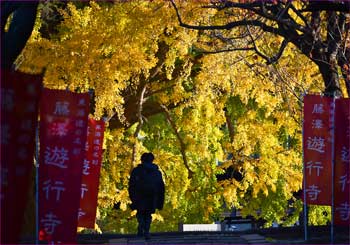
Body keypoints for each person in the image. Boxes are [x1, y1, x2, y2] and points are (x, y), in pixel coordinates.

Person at [128, 152, 165, 240]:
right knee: (148, 214)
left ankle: (141, 227)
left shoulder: (136, 171)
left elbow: (131, 186)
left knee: (140, 212)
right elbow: (161, 188)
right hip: (152, 197)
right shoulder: (157, 173)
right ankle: (146, 230)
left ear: (142, 160)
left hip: (139, 197)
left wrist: (132, 198)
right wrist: (160, 202)